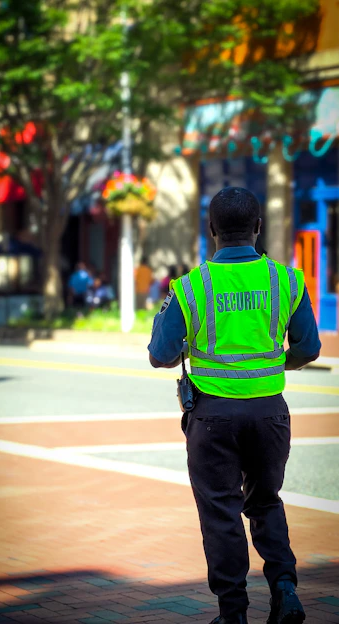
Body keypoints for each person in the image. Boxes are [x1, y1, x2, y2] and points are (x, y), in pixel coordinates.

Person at [148, 187, 321, 624]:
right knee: (265, 502)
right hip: (269, 414)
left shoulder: (190, 287)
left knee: (222, 512)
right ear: (258, 227)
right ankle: (285, 589)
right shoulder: (287, 281)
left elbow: (160, 354)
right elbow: (310, 347)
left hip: (212, 420)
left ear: (211, 231)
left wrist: (162, 318)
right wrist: (278, 362)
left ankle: (233, 613)